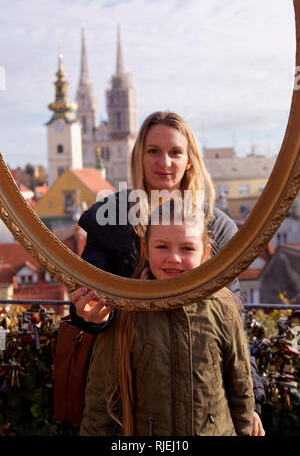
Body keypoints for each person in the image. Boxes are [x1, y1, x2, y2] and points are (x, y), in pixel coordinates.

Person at [69, 111, 265, 434]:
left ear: (189, 160)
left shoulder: (216, 227)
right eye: (154, 151)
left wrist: (252, 403)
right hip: (131, 398)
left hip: (201, 399)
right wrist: (90, 315)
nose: (165, 162)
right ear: (140, 157)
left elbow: (232, 322)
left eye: (175, 152)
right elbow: (90, 303)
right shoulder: (110, 220)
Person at [80, 199, 254, 436]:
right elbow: (100, 396)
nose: (174, 258)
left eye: (187, 248)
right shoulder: (126, 310)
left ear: (205, 253)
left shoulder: (222, 308)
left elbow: (240, 386)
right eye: (162, 247)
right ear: (145, 249)